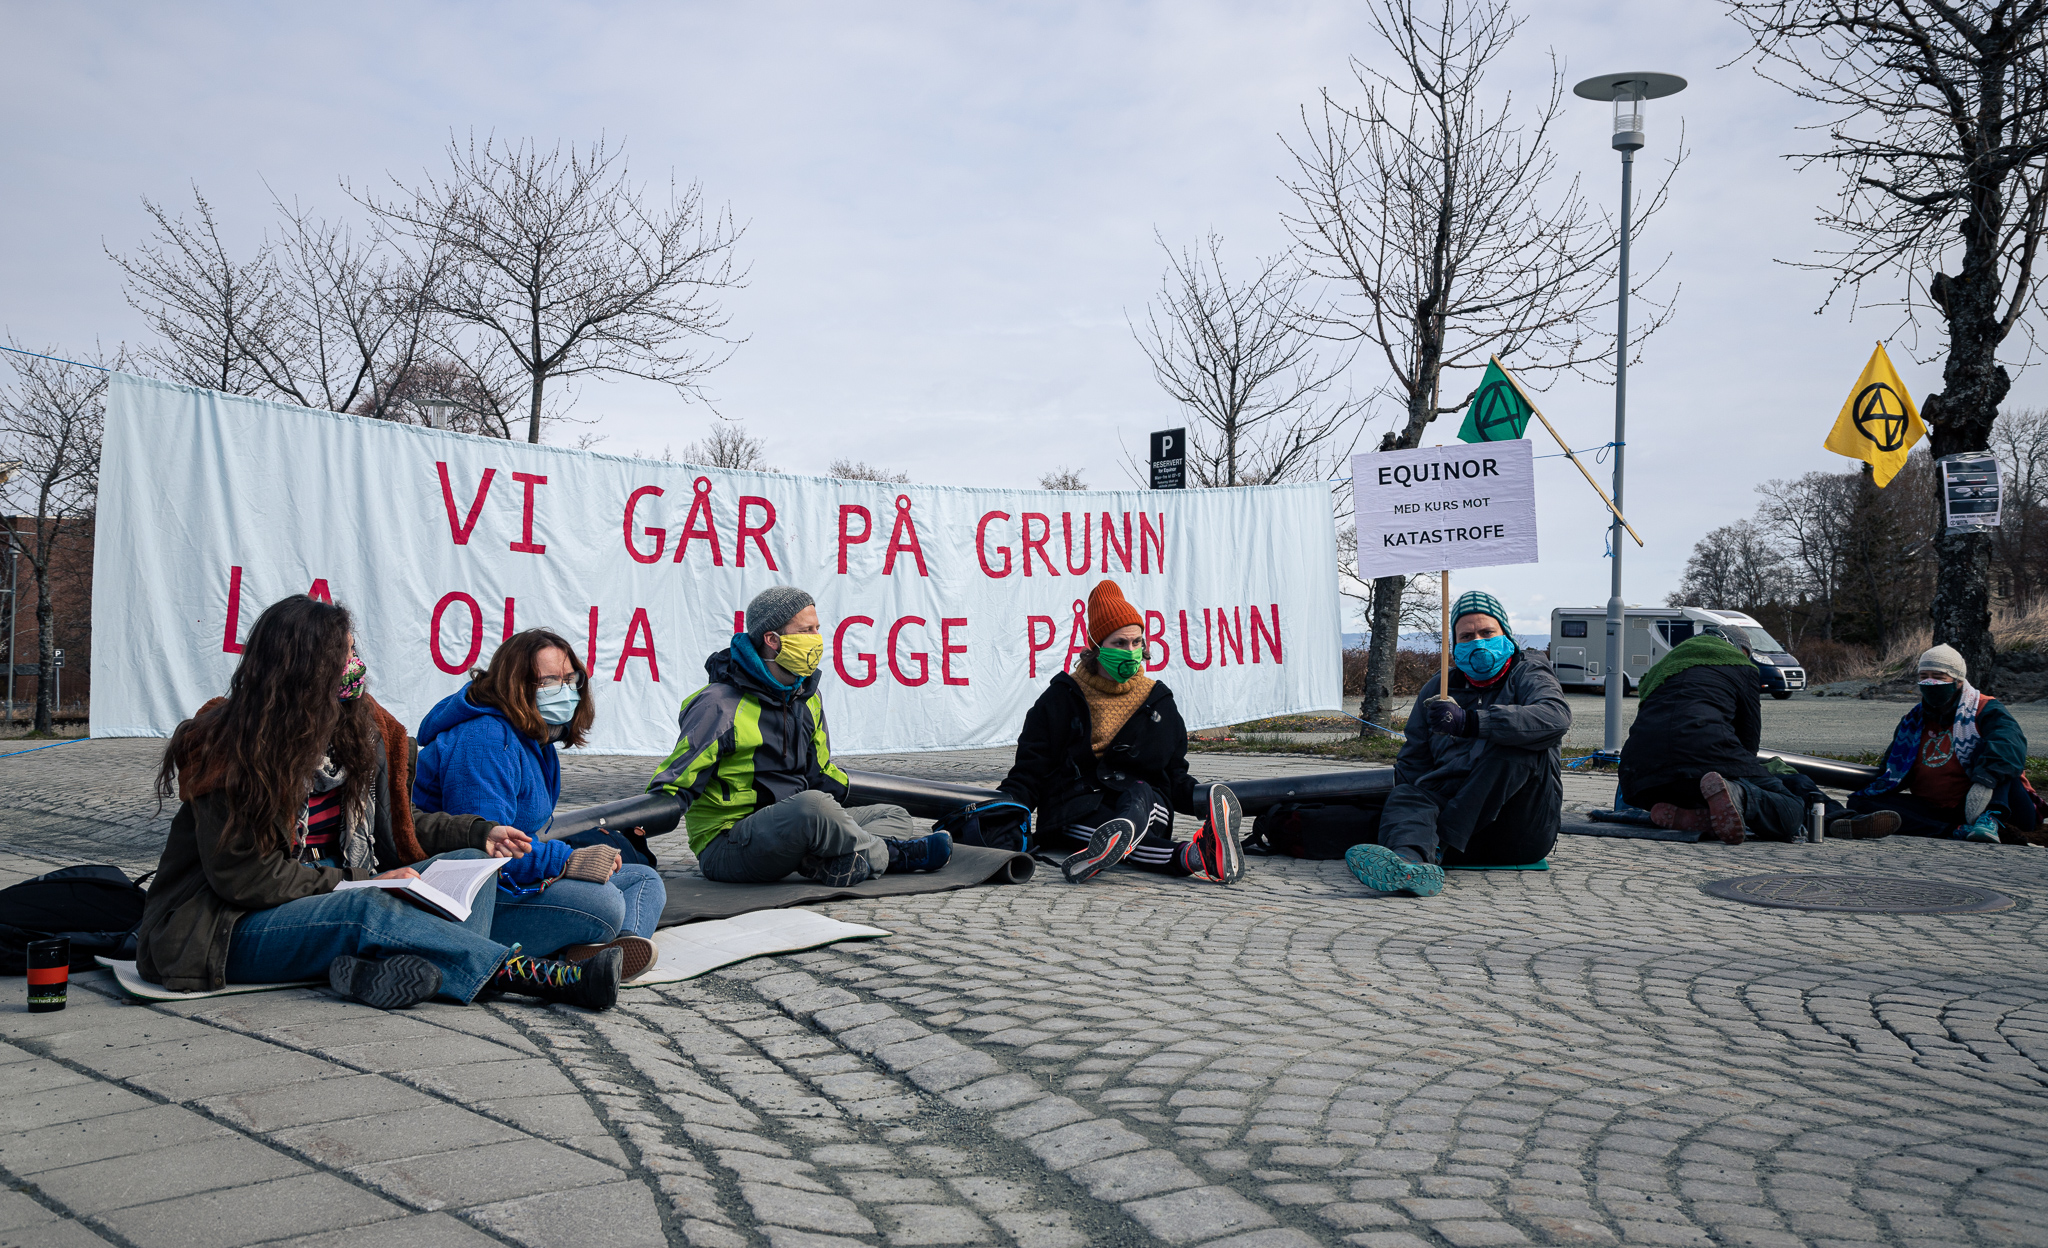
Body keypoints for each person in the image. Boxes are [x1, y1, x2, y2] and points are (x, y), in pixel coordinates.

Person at [136, 595, 620, 1010]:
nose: (356, 666)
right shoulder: (230, 747)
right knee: (369, 913)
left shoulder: (356, 732)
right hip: (227, 927)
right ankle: (532, 976)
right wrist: (362, 882)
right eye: (343, 654)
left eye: (354, 650)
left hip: (331, 893)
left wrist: (479, 833)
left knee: (472, 864)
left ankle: (388, 967)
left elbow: (402, 826)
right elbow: (245, 877)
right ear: (303, 668)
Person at [649, 586, 952, 885]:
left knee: (893, 814)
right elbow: (676, 781)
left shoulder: (807, 696)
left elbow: (820, 775)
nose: (817, 639)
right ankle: (897, 856)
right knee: (813, 807)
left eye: (818, 628)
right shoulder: (718, 703)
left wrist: (842, 808)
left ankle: (836, 861)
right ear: (772, 640)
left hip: (797, 829)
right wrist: (638, 826)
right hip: (729, 844)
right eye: (807, 630)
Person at [414, 629, 666, 979]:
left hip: (512, 881)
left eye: (569, 679)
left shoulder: (537, 736)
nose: (564, 691)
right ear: (516, 684)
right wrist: (568, 860)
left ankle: (608, 953)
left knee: (644, 880)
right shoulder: (485, 739)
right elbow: (488, 855)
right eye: (549, 681)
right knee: (604, 903)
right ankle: (592, 951)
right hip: (469, 897)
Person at [995, 580, 1244, 885]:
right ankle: (1196, 856)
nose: (1130, 651)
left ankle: (1122, 832)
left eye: (1137, 642)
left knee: (1139, 792)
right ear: (1097, 646)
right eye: (1119, 643)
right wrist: (998, 812)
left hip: (1149, 804)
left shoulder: (1159, 701)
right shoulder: (1061, 698)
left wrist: (1202, 800)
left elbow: (1174, 774)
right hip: (1078, 808)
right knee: (1108, 827)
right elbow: (1030, 770)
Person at [1347, 591, 1567, 897]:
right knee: (1410, 792)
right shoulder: (1438, 688)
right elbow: (1414, 761)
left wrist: (1471, 722)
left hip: (1517, 832)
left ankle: (1435, 846)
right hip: (1461, 834)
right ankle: (1410, 864)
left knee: (1517, 744)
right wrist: (1410, 810)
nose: (1477, 641)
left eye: (1487, 632)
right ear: (1454, 645)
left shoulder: (1528, 671)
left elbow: (1555, 718)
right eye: (1466, 636)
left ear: (1506, 634)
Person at [1619, 628, 1898, 842]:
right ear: (1739, 649)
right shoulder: (1738, 666)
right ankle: (1745, 797)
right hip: (1706, 759)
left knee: (1780, 779)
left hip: (1641, 780)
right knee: (1790, 806)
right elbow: (1748, 741)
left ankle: (1700, 818)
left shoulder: (1660, 670)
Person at [1846, 644, 2037, 842]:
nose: (1930, 682)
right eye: (1924, 676)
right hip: (1941, 809)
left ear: (1958, 681)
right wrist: (1873, 790)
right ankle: (1952, 830)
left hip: (2003, 803)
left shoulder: (1986, 709)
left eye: (1938, 676)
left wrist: (1982, 787)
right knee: (1861, 803)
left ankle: (1990, 819)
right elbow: (1889, 769)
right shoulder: (1912, 722)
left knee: (1997, 754)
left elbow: (2010, 748)